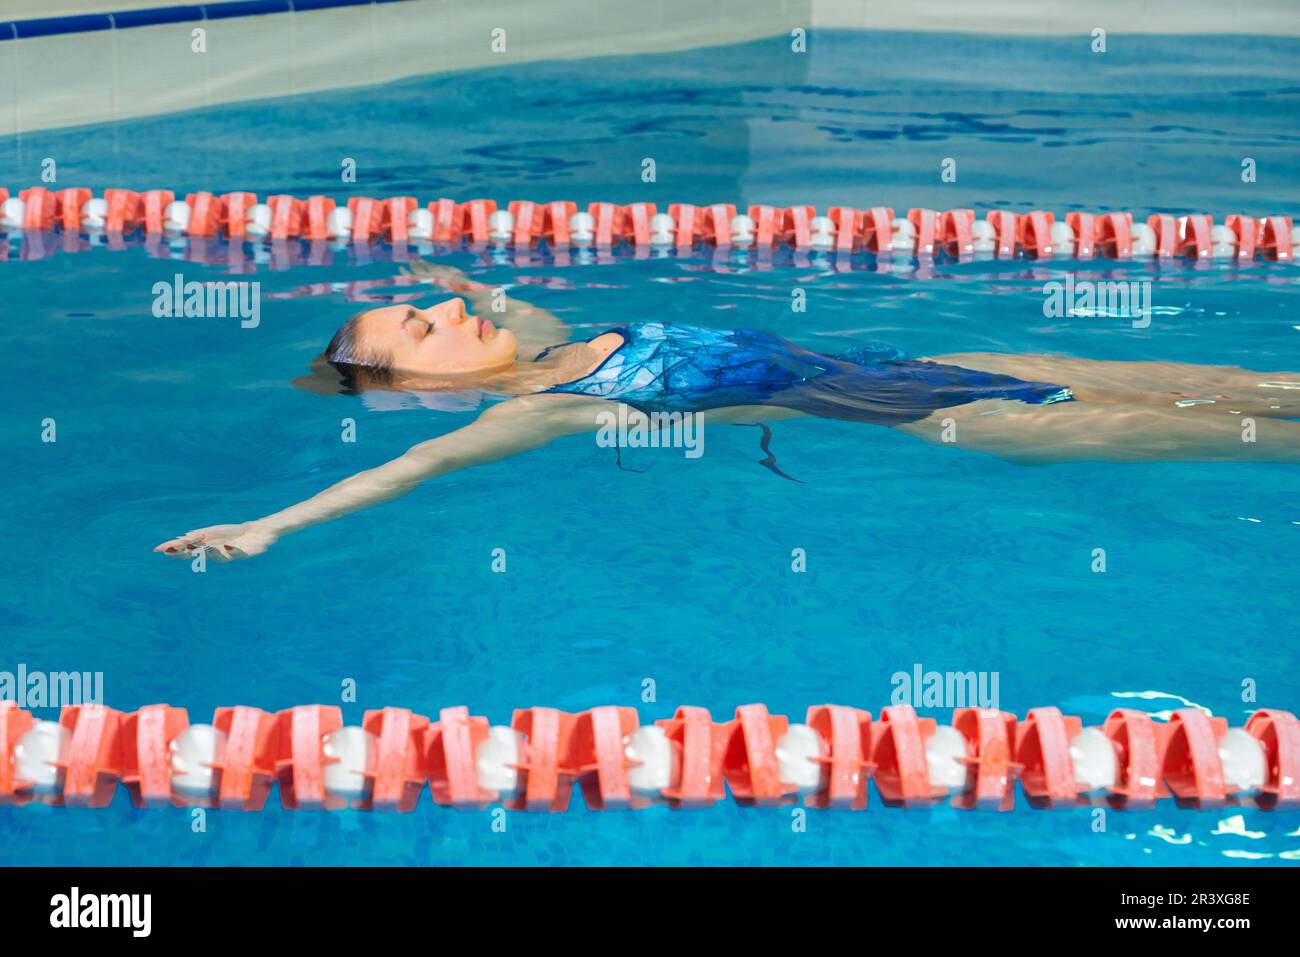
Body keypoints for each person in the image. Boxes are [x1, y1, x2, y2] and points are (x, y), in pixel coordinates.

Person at [156, 263, 1300, 562]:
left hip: (929, 355)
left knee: (1240, 385)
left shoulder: (551, 333)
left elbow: (479, 291)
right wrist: (267, 526)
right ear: (429, 386)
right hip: (937, 420)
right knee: (1233, 429)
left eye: (425, 307)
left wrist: (418, 274)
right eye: (418, 328)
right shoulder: (548, 405)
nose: (439, 311)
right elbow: (392, 478)